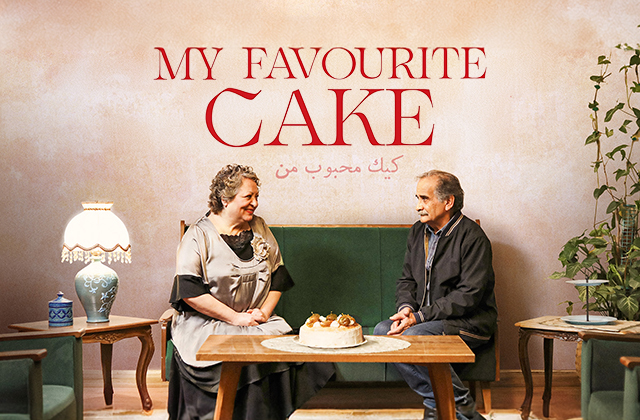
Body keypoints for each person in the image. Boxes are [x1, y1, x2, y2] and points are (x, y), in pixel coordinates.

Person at [167, 164, 334, 420]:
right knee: (245, 355)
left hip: (254, 321)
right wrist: (235, 319)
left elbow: (278, 277)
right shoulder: (197, 236)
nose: (255, 203)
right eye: (248, 197)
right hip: (208, 324)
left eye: (257, 196)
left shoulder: (259, 227)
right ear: (225, 199)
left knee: (283, 348)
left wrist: (264, 313)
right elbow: (190, 293)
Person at [374, 170, 497, 420]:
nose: (418, 206)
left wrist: (418, 318)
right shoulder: (417, 232)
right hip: (425, 319)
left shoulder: (473, 238)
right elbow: (407, 279)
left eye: (425, 199)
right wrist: (406, 308)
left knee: (414, 335)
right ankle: (444, 406)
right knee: (381, 330)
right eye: (417, 198)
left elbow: (468, 297)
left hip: (470, 322)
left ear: (448, 202)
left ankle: (457, 408)